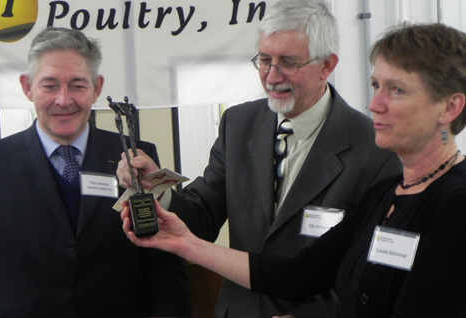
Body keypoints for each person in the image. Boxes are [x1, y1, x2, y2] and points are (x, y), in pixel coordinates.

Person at [121, 22, 466, 318]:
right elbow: (298, 274)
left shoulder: (452, 202)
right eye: (376, 86)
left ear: (451, 106)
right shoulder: (388, 194)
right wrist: (186, 245)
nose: (375, 103)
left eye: (397, 90)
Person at [0, 27, 191, 318]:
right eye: (49, 85)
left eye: (77, 85)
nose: (63, 99)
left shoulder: (136, 157)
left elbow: (164, 267)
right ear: (27, 87)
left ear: (97, 87)